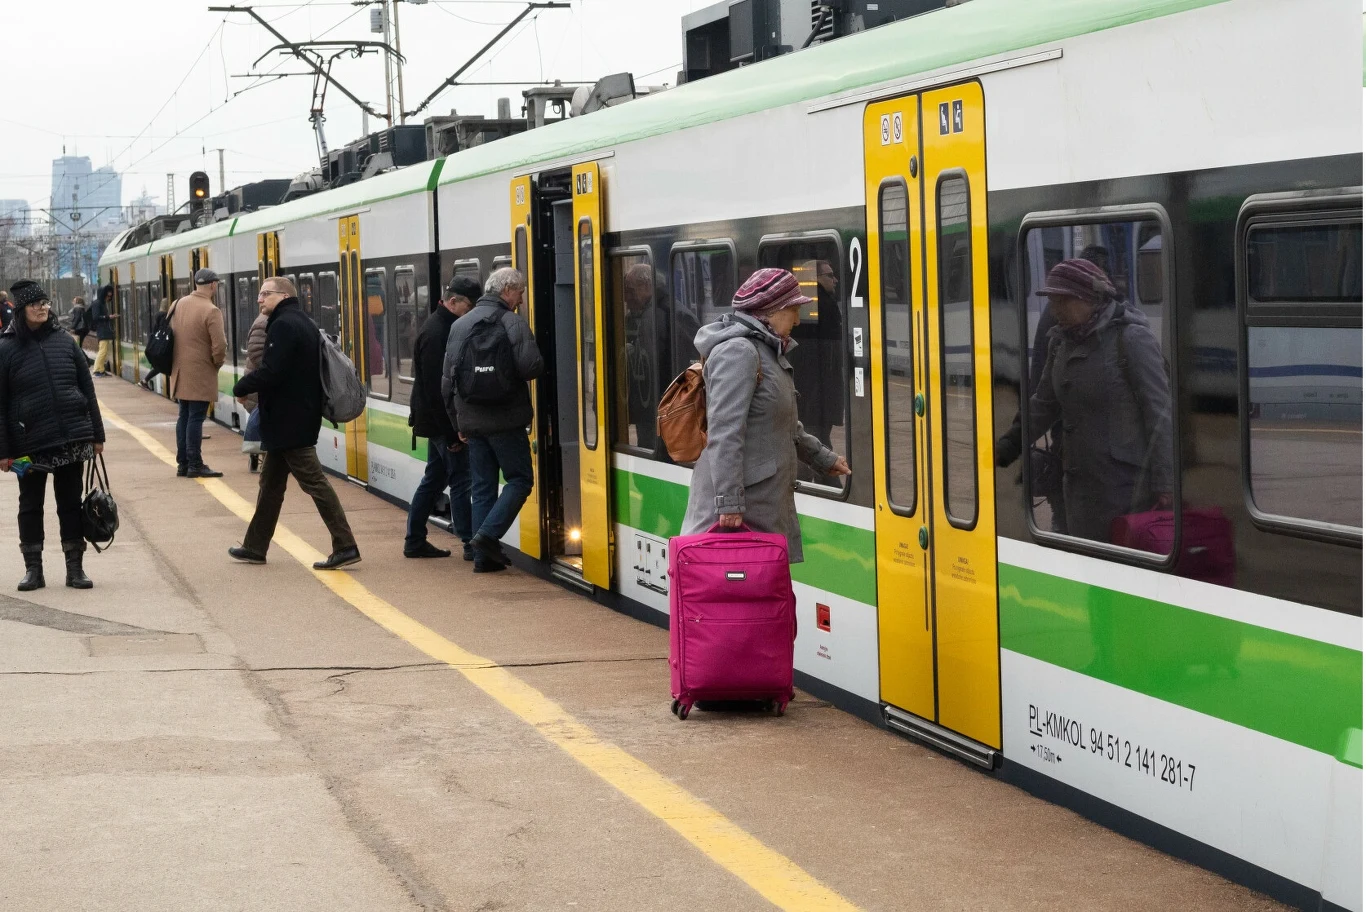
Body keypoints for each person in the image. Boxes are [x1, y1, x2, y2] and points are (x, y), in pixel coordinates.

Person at [994, 258, 1173, 543]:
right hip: (1076, 489)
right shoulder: (1060, 344)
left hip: (1125, 491)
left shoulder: (1132, 340)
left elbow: (1160, 415)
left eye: (1062, 302)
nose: (1055, 311)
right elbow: (1044, 403)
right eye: (1052, 302)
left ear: (1089, 298)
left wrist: (1165, 483)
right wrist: (1012, 442)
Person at [680, 268, 852, 560]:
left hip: (760, 505)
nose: (798, 320)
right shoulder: (739, 353)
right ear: (770, 311)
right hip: (740, 514)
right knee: (740, 595)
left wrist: (822, 458)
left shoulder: (766, 351)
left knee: (764, 591)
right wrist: (729, 502)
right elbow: (725, 432)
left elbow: (781, 422)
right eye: (794, 310)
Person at [228, 276, 360, 570]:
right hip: (292, 418)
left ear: (283, 295)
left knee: (315, 483)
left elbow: (274, 372)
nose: (259, 299)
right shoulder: (302, 321)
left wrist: (243, 385)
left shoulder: (284, 325)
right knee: (270, 485)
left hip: (291, 421)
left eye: (265, 294)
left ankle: (346, 544)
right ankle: (254, 546)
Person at [0, 280, 106, 590]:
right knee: (29, 505)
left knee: (70, 503)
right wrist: (4, 451)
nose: (44, 308)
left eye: (45, 303)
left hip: (71, 438)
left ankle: (75, 568)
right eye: (36, 305)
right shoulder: (5, 349)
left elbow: (87, 389)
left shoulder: (66, 342)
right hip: (25, 446)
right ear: (21, 310)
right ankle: (34, 569)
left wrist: (97, 434)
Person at [441, 267, 543, 573]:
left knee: (483, 486)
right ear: (508, 291)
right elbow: (531, 367)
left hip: (472, 421)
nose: (521, 300)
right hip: (505, 420)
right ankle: (487, 536)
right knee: (520, 479)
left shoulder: (460, 326)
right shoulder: (513, 323)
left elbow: (446, 381)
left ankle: (482, 559)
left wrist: (456, 422)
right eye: (520, 293)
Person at [404, 275, 479, 560]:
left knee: (434, 479)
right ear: (453, 301)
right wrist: (452, 434)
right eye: (469, 306)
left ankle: (414, 539)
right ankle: (470, 542)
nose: (471, 312)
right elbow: (438, 390)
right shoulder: (439, 333)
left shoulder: (440, 326)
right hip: (440, 423)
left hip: (433, 421)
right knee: (461, 479)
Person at [168, 269, 227, 478]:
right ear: (213, 285)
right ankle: (195, 463)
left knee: (183, 416)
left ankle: (182, 464)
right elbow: (219, 346)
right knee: (195, 418)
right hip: (201, 372)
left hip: (179, 371)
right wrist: (216, 364)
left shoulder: (178, 304)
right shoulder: (211, 311)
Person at [237, 308, 269, 472]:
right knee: (261, 421)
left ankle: (258, 457)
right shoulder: (263, 322)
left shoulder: (268, 320)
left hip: (258, 381)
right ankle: (257, 456)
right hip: (259, 383)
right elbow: (258, 355)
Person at [91, 284, 117, 376]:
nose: (109, 298)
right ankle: (96, 370)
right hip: (102, 330)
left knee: (104, 350)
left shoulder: (102, 303)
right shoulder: (97, 303)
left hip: (104, 330)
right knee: (102, 351)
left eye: (110, 296)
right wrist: (108, 317)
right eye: (107, 296)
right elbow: (96, 317)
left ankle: (101, 369)